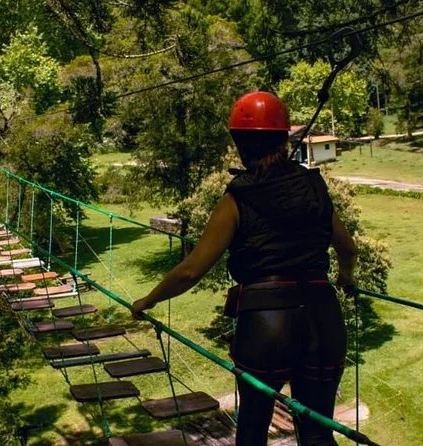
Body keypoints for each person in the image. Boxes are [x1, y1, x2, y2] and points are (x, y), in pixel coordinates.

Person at [131, 91, 357, 445]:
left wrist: (149, 299)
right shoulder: (314, 188)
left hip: (267, 326)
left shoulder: (236, 200)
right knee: (317, 433)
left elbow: (191, 271)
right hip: (323, 317)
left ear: (240, 144)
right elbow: (347, 247)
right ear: (284, 139)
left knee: (252, 430)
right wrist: (346, 277)